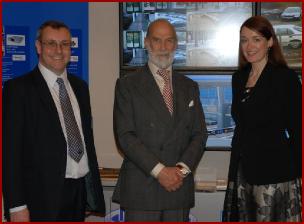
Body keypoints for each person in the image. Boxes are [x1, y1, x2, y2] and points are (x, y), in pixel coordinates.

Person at [3, 20, 105, 221]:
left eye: (65, 44)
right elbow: (10, 154)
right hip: (39, 199)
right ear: (38, 47)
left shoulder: (80, 88)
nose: (59, 50)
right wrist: (16, 206)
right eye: (51, 43)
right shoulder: (18, 90)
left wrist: (88, 195)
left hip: (78, 193)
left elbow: (86, 142)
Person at [112, 19, 207, 221]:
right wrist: (161, 172)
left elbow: (200, 134)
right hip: (142, 189)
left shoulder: (189, 86)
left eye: (169, 40)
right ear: (147, 43)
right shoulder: (127, 85)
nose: (163, 47)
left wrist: (180, 170)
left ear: (176, 44)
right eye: (157, 40)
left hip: (178, 188)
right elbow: (125, 137)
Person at [222, 16, 302, 222]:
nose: (249, 46)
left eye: (256, 39)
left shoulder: (286, 78)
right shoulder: (238, 78)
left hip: (275, 174)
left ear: (270, 42)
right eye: (244, 39)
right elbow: (242, 127)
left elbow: (298, 130)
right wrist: (233, 172)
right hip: (242, 172)